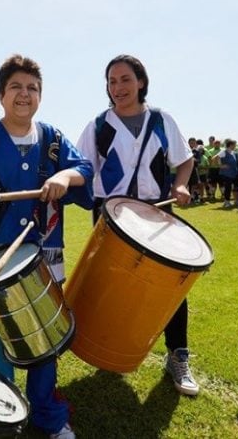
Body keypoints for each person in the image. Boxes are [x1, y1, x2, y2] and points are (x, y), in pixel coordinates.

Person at [0, 54, 93, 439]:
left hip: (46, 254)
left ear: (40, 96)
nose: (24, 94)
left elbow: (85, 170)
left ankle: (48, 416)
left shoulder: (52, 138)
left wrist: (65, 176)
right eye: (15, 87)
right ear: (1, 95)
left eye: (32, 88)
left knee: (44, 343)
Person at [75, 54, 199, 397]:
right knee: (110, 284)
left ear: (141, 82)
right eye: (112, 81)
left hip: (156, 214)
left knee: (169, 283)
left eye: (125, 79)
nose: (118, 88)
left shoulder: (161, 121)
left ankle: (178, 355)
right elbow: (83, 168)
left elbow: (185, 161)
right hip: (111, 217)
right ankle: (103, 344)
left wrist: (181, 184)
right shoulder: (98, 125)